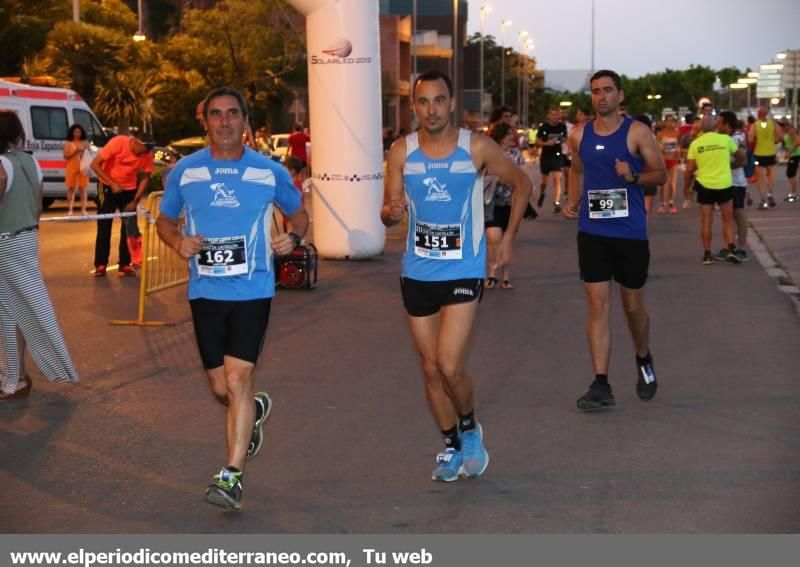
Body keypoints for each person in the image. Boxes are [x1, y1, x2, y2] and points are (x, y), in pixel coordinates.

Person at [157, 87, 309, 510]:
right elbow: (165, 221)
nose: (224, 122)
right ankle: (252, 410)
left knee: (239, 378)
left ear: (246, 122)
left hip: (253, 290)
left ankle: (231, 476)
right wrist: (177, 242)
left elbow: (299, 212)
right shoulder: (185, 172)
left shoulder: (269, 172)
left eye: (232, 114)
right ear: (204, 121)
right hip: (205, 290)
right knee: (222, 387)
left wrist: (293, 236)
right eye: (216, 114)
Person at [381, 70, 531, 481]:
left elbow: (521, 184)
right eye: (423, 102)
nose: (431, 109)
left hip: (464, 267)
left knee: (449, 364)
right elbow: (388, 208)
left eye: (439, 100)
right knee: (429, 368)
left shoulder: (476, 147)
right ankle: (450, 445)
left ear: (451, 103)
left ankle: (469, 429)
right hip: (417, 269)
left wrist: (508, 239)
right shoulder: (401, 152)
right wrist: (390, 213)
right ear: (414, 107)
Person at [562, 70, 666, 411]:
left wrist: (633, 175)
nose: (601, 96)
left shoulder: (637, 132)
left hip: (630, 233)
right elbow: (577, 168)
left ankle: (643, 356)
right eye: (595, 91)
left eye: (607, 90)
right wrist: (573, 200)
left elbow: (660, 173)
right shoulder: (579, 134)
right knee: (597, 306)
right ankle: (601, 383)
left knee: (633, 306)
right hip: (592, 232)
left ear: (620, 95)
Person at [0, 110, 79, 399]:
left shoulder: (1, 165)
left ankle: (19, 376)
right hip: (27, 238)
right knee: (12, 311)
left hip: (5, 243)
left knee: (14, 311)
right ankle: (15, 376)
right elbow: (37, 205)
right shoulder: (31, 161)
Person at [89, 131, 155, 276]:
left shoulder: (147, 153)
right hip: (106, 185)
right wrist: (112, 184)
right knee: (104, 224)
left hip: (128, 189)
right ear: (136, 142)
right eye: (143, 151)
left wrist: (135, 200)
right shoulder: (118, 143)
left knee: (129, 227)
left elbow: (145, 177)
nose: (143, 155)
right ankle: (100, 264)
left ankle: (125, 264)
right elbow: (94, 165)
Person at [684, 115, 744, 265]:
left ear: (701, 128)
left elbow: (690, 169)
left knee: (706, 221)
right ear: (715, 126)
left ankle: (707, 255)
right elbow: (741, 157)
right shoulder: (725, 140)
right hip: (724, 184)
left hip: (704, 185)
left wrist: (687, 186)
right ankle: (731, 249)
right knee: (728, 220)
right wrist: (730, 166)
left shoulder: (695, 144)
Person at [483, 122, 526, 290]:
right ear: (501, 135)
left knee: (508, 239)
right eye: (509, 134)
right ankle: (492, 273)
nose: (512, 136)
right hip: (491, 201)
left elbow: (522, 176)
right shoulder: (489, 152)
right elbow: (479, 172)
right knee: (492, 237)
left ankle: (506, 276)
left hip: (511, 202)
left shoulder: (516, 153)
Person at [716, 112, 749, 261]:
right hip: (725, 182)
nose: (717, 125)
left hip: (736, 183)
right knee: (726, 217)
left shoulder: (736, 138)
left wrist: (725, 166)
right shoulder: (724, 138)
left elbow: (743, 161)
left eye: (719, 122)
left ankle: (741, 249)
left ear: (727, 124)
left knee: (738, 214)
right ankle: (728, 247)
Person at [748, 107, 783, 209]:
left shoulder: (755, 125)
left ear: (758, 114)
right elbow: (781, 137)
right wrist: (774, 140)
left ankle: (763, 200)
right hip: (771, 152)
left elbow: (750, 139)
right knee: (771, 175)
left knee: (760, 178)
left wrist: (757, 138)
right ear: (767, 114)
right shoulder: (773, 124)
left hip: (759, 153)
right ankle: (770, 194)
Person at [536, 107, 568, 212]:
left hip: (557, 156)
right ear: (548, 116)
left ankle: (556, 202)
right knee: (544, 181)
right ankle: (542, 193)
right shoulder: (544, 127)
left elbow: (565, 139)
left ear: (559, 116)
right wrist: (547, 143)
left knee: (557, 179)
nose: (555, 116)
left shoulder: (562, 127)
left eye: (557, 114)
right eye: (552, 114)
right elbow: (537, 142)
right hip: (545, 156)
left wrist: (566, 144)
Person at [63, 124, 90, 216]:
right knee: (71, 188)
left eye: (79, 131)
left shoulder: (85, 142)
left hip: (82, 167)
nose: (77, 133)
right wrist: (75, 152)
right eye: (75, 131)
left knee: (83, 189)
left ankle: (83, 209)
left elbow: (88, 154)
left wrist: (83, 151)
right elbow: (66, 156)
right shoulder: (68, 143)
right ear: (72, 132)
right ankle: (70, 210)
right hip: (72, 167)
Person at [656, 115, 680, 214]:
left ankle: (671, 202)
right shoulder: (661, 133)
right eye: (668, 121)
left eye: (671, 121)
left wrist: (678, 151)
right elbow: (656, 146)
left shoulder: (677, 133)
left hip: (673, 160)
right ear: (665, 122)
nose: (670, 123)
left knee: (672, 184)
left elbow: (680, 145)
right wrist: (660, 149)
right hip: (663, 160)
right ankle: (662, 204)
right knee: (662, 184)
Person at [780, 120, 800, 202]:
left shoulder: (791, 131)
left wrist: (789, 153)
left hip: (795, 155)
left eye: (782, 126)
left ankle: (794, 194)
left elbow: (798, 142)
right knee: (791, 174)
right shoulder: (786, 132)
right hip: (794, 155)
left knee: (791, 174)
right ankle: (794, 193)